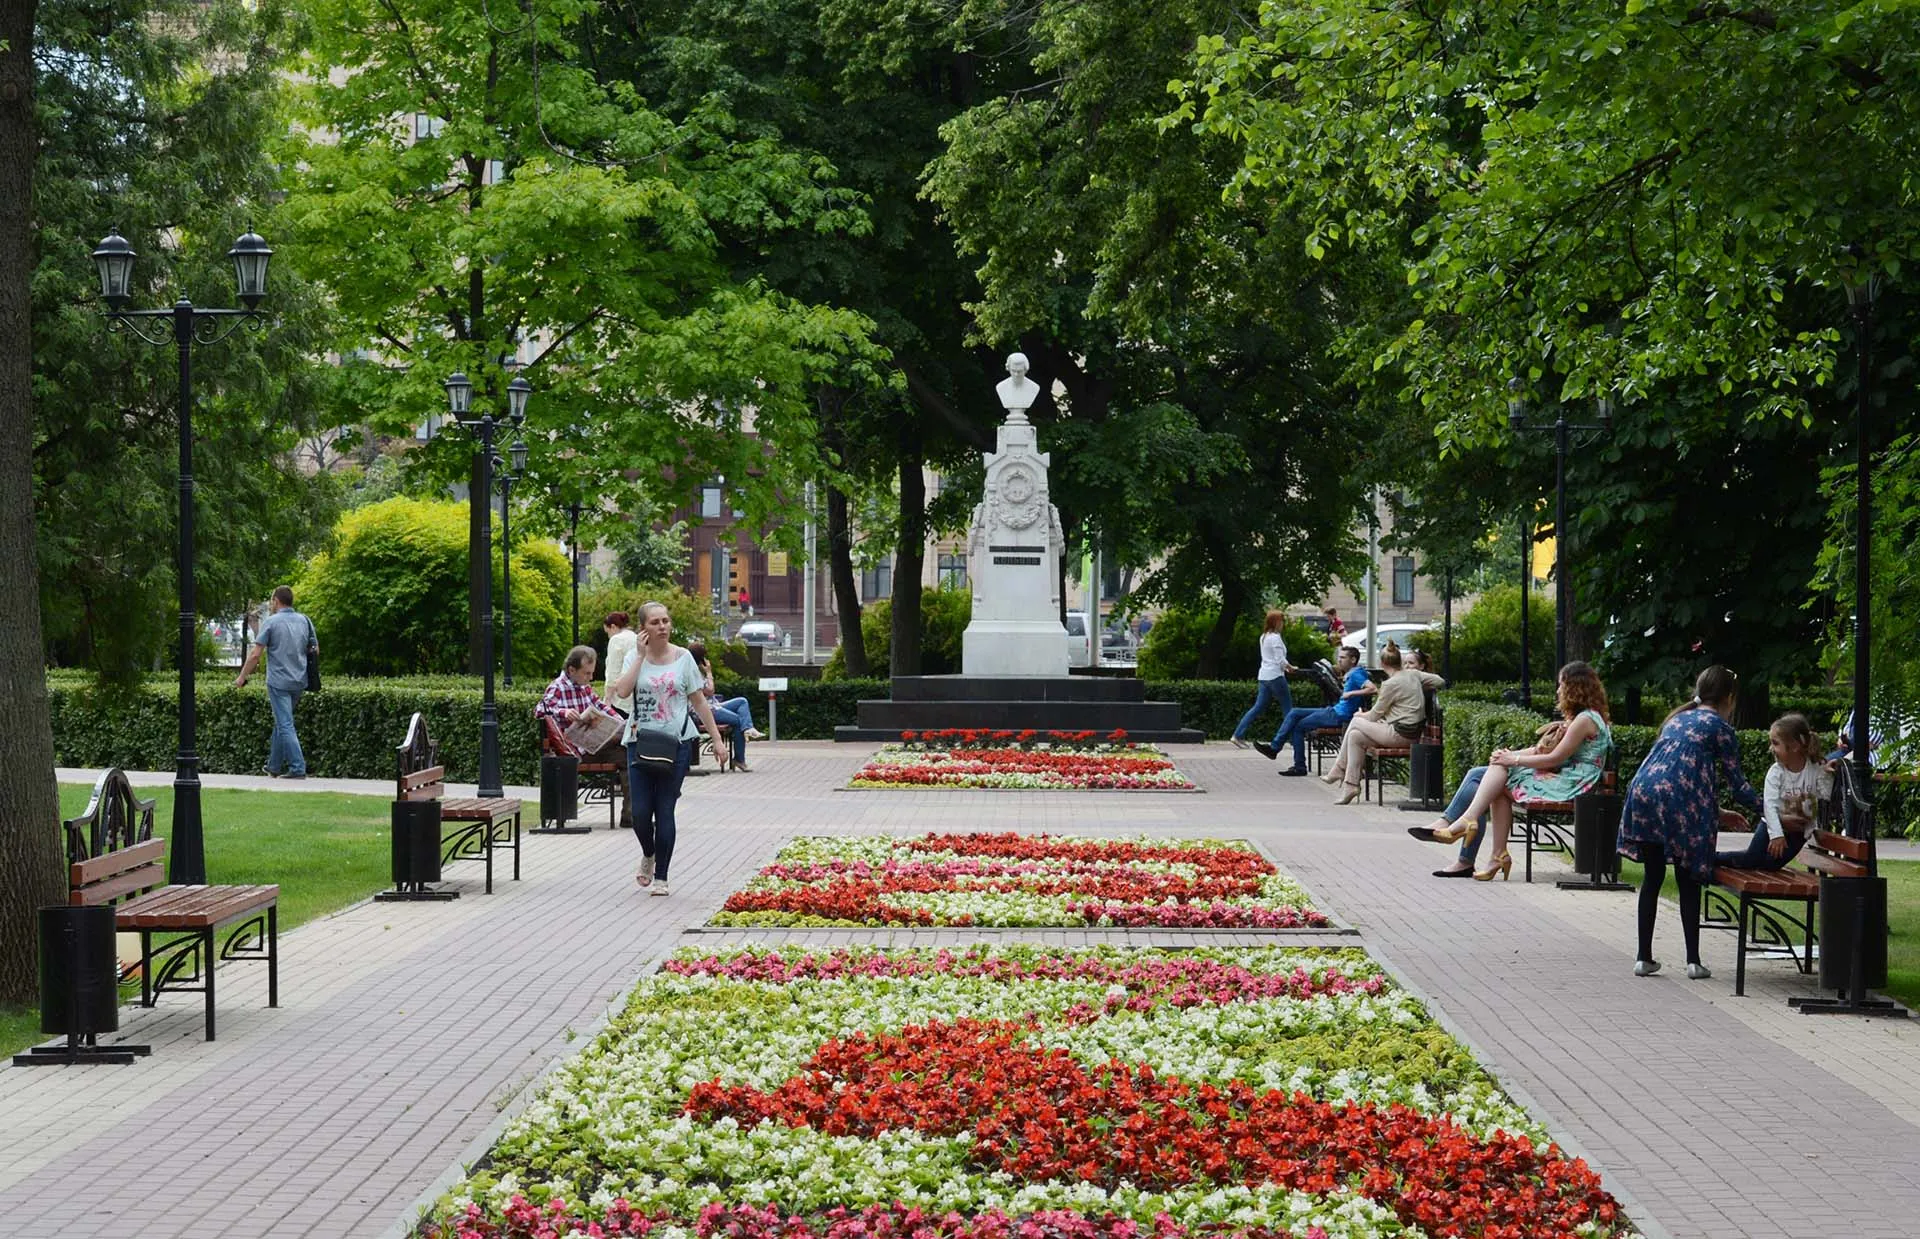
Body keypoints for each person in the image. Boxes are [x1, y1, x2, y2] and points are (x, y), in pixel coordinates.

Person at [1617, 665, 1762, 979]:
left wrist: (1719, 813)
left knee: (1652, 876)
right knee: (1688, 878)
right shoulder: (1720, 727)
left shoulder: (1677, 718)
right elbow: (1737, 785)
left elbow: (1678, 771)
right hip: (1679, 802)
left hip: (1643, 794)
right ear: (1729, 697)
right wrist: (1769, 810)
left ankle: (1643, 958)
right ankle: (1693, 961)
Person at [1413, 662, 1613, 880]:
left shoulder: (1584, 720)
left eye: (1561, 684)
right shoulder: (1581, 717)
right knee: (1484, 775)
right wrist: (1509, 755)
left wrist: (1513, 759)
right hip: (1565, 775)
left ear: (1575, 687)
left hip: (1571, 782)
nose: (1558, 690)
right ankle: (1484, 849)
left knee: (1492, 777)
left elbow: (1557, 757)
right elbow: (1541, 750)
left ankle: (1465, 835)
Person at [606, 601, 728, 897]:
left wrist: (717, 740)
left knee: (665, 811)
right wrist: (638, 656)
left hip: (677, 743)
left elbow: (698, 700)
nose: (662, 626)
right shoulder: (636, 657)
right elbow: (622, 691)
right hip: (639, 741)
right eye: (655, 622)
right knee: (639, 814)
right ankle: (648, 854)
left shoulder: (684, 657)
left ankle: (662, 877)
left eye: (665, 621)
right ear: (643, 628)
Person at [1321, 643, 1444, 804]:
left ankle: (1338, 769)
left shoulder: (1389, 685)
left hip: (1400, 734)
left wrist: (1360, 714)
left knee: (1356, 720)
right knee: (1356, 736)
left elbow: (1373, 716)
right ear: (1399, 661)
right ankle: (1350, 786)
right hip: (1408, 732)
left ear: (1382, 664)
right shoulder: (1414, 674)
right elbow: (1440, 681)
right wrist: (1419, 685)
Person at [1716, 713, 1830, 871]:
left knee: (1771, 865)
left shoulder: (1815, 769)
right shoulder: (1776, 772)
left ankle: (1716, 859)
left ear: (1795, 746)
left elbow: (1825, 795)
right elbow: (1769, 805)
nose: (1771, 749)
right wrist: (1776, 834)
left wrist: (1828, 773)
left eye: (1776, 743)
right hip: (1771, 824)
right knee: (1751, 859)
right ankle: (1714, 858)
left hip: (1797, 833)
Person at [233, 585, 315, 780]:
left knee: (285, 723)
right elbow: (315, 650)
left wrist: (242, 677)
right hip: (299, 680)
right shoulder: (305, 621)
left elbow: (255, 655)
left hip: (279, 682)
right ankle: (274, 766)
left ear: (276, 601)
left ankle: (297, 768)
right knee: (282, 721)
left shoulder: (271, 622)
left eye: (272, 601)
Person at [1256, 646, 1375, 773]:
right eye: (1339, 657)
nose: (1339, 660)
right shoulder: (1354, 672)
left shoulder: (1357, 674)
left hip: (1338, 715)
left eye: (1342, 657)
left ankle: (1293, 762)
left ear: (1353, 659)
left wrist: (1351, 694)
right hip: (1334, 711)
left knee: (1297, 726)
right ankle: (1278, 750)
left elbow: (1373, 689)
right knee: (1294, 712)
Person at [686, 639, 765, 771]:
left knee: (742, 701)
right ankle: (739, 760)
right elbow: (710, 690)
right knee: (738, 721)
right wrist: (709, 672)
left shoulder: (696, 670)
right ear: (701, 658)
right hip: (703, 710)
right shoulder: (692, 671)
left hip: (714, 705)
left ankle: (748, 727)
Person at [1230, 611, 1294, 749]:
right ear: (1276, 622)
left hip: (1264, 677)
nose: (1283, 624)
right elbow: (1279, 660)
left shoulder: (1264, 637)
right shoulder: (1276, 638)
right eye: (1281, 621)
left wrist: (1285, 666)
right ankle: (1293, 739)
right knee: (1288, 709)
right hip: (1276, 676)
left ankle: (1237, 734)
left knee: (1258, 707)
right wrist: (1290, 667)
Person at [602, 611, 638, 717]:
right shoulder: (636, 638)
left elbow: (613, 672)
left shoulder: (616, 640)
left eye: (607, 632)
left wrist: (607, 698)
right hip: (637, 698)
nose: (608, 636)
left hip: (621, 701)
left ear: (613, 627)